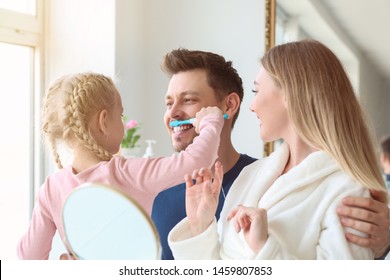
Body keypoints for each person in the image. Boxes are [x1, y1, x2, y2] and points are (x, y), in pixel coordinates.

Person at [152, 48, 390, 259]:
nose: (252, 106)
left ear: (291, 93)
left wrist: (266, 249)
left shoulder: (347, 190)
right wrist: (200, 228)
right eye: (168, 102)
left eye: (256, 91)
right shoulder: (251, 176)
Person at [17, 72, 225, 260]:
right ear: (104, 121)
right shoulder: (126, 173)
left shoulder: (51, 188)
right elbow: (196, 162)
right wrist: (211, 122)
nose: (123, 123)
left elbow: (28, 258)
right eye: (121, 116)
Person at [151, 49, 257, 260]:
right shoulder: (157, 194)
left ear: (229, 105)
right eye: (169, 103)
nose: (172, 114)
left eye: (188, 100)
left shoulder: (263, 181)